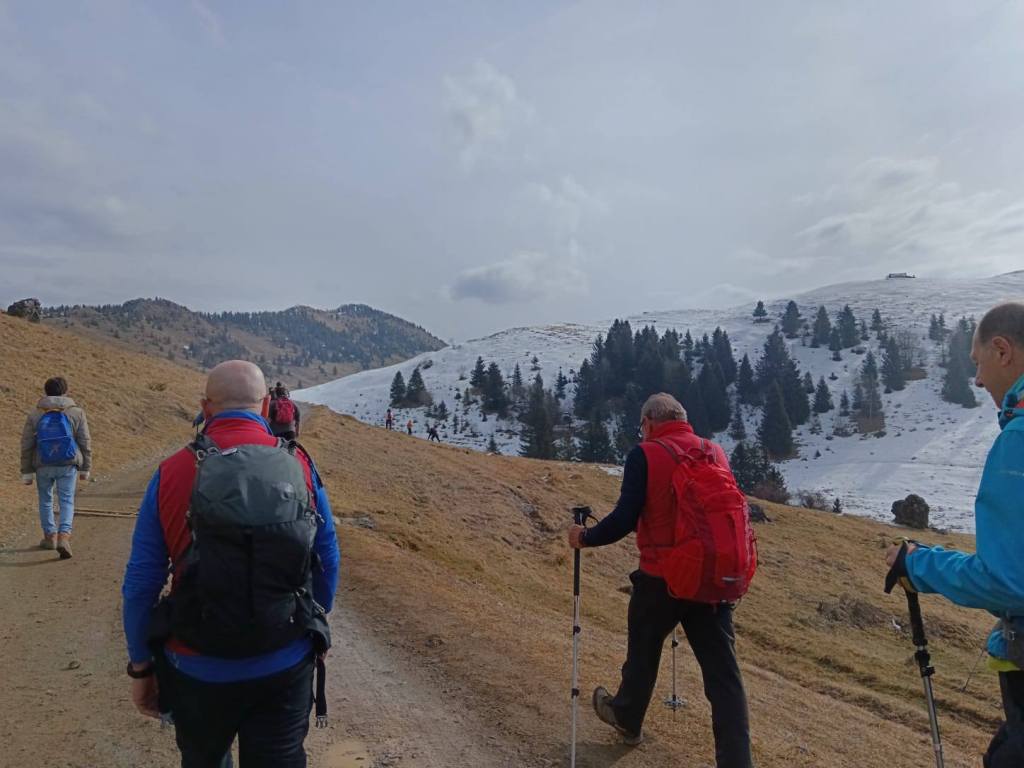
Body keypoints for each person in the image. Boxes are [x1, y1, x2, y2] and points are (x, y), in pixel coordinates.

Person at [122, 360, 340, 767]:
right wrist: (316, 624)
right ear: (265, 407)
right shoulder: (299, 465)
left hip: (196, 663)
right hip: (284, 657)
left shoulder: (172, 471)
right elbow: (327, 557)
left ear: (206, 407)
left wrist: (141, 667)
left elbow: (140, 583)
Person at [567, 393, 754, 767]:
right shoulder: (714, 452)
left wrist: (584, 537)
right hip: (711, 578)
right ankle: (737, 762)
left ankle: (626, 716)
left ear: (649, 422)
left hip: (661, 577)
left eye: (641, 426)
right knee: (724, 679)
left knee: (643, 650)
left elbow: (625, 518)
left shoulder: (646, 454)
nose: (642, 432)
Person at [885, 303, 1024, 767]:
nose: (978, 380)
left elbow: (1007, 580)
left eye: (978, 363)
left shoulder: (1018, 441)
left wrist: (916, 563)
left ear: (1002, 351)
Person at [20, 376, 92, 558]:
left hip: (43, 464)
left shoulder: (35, 414)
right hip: (68, 464)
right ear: (65, 391)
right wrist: (85, 468)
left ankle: (49, 536)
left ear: (46, 392)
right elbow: (84, 441)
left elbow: (27, 443)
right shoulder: (76, 412)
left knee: (45, 499)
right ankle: (64, 536)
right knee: (66, 500)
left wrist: (26, 471)